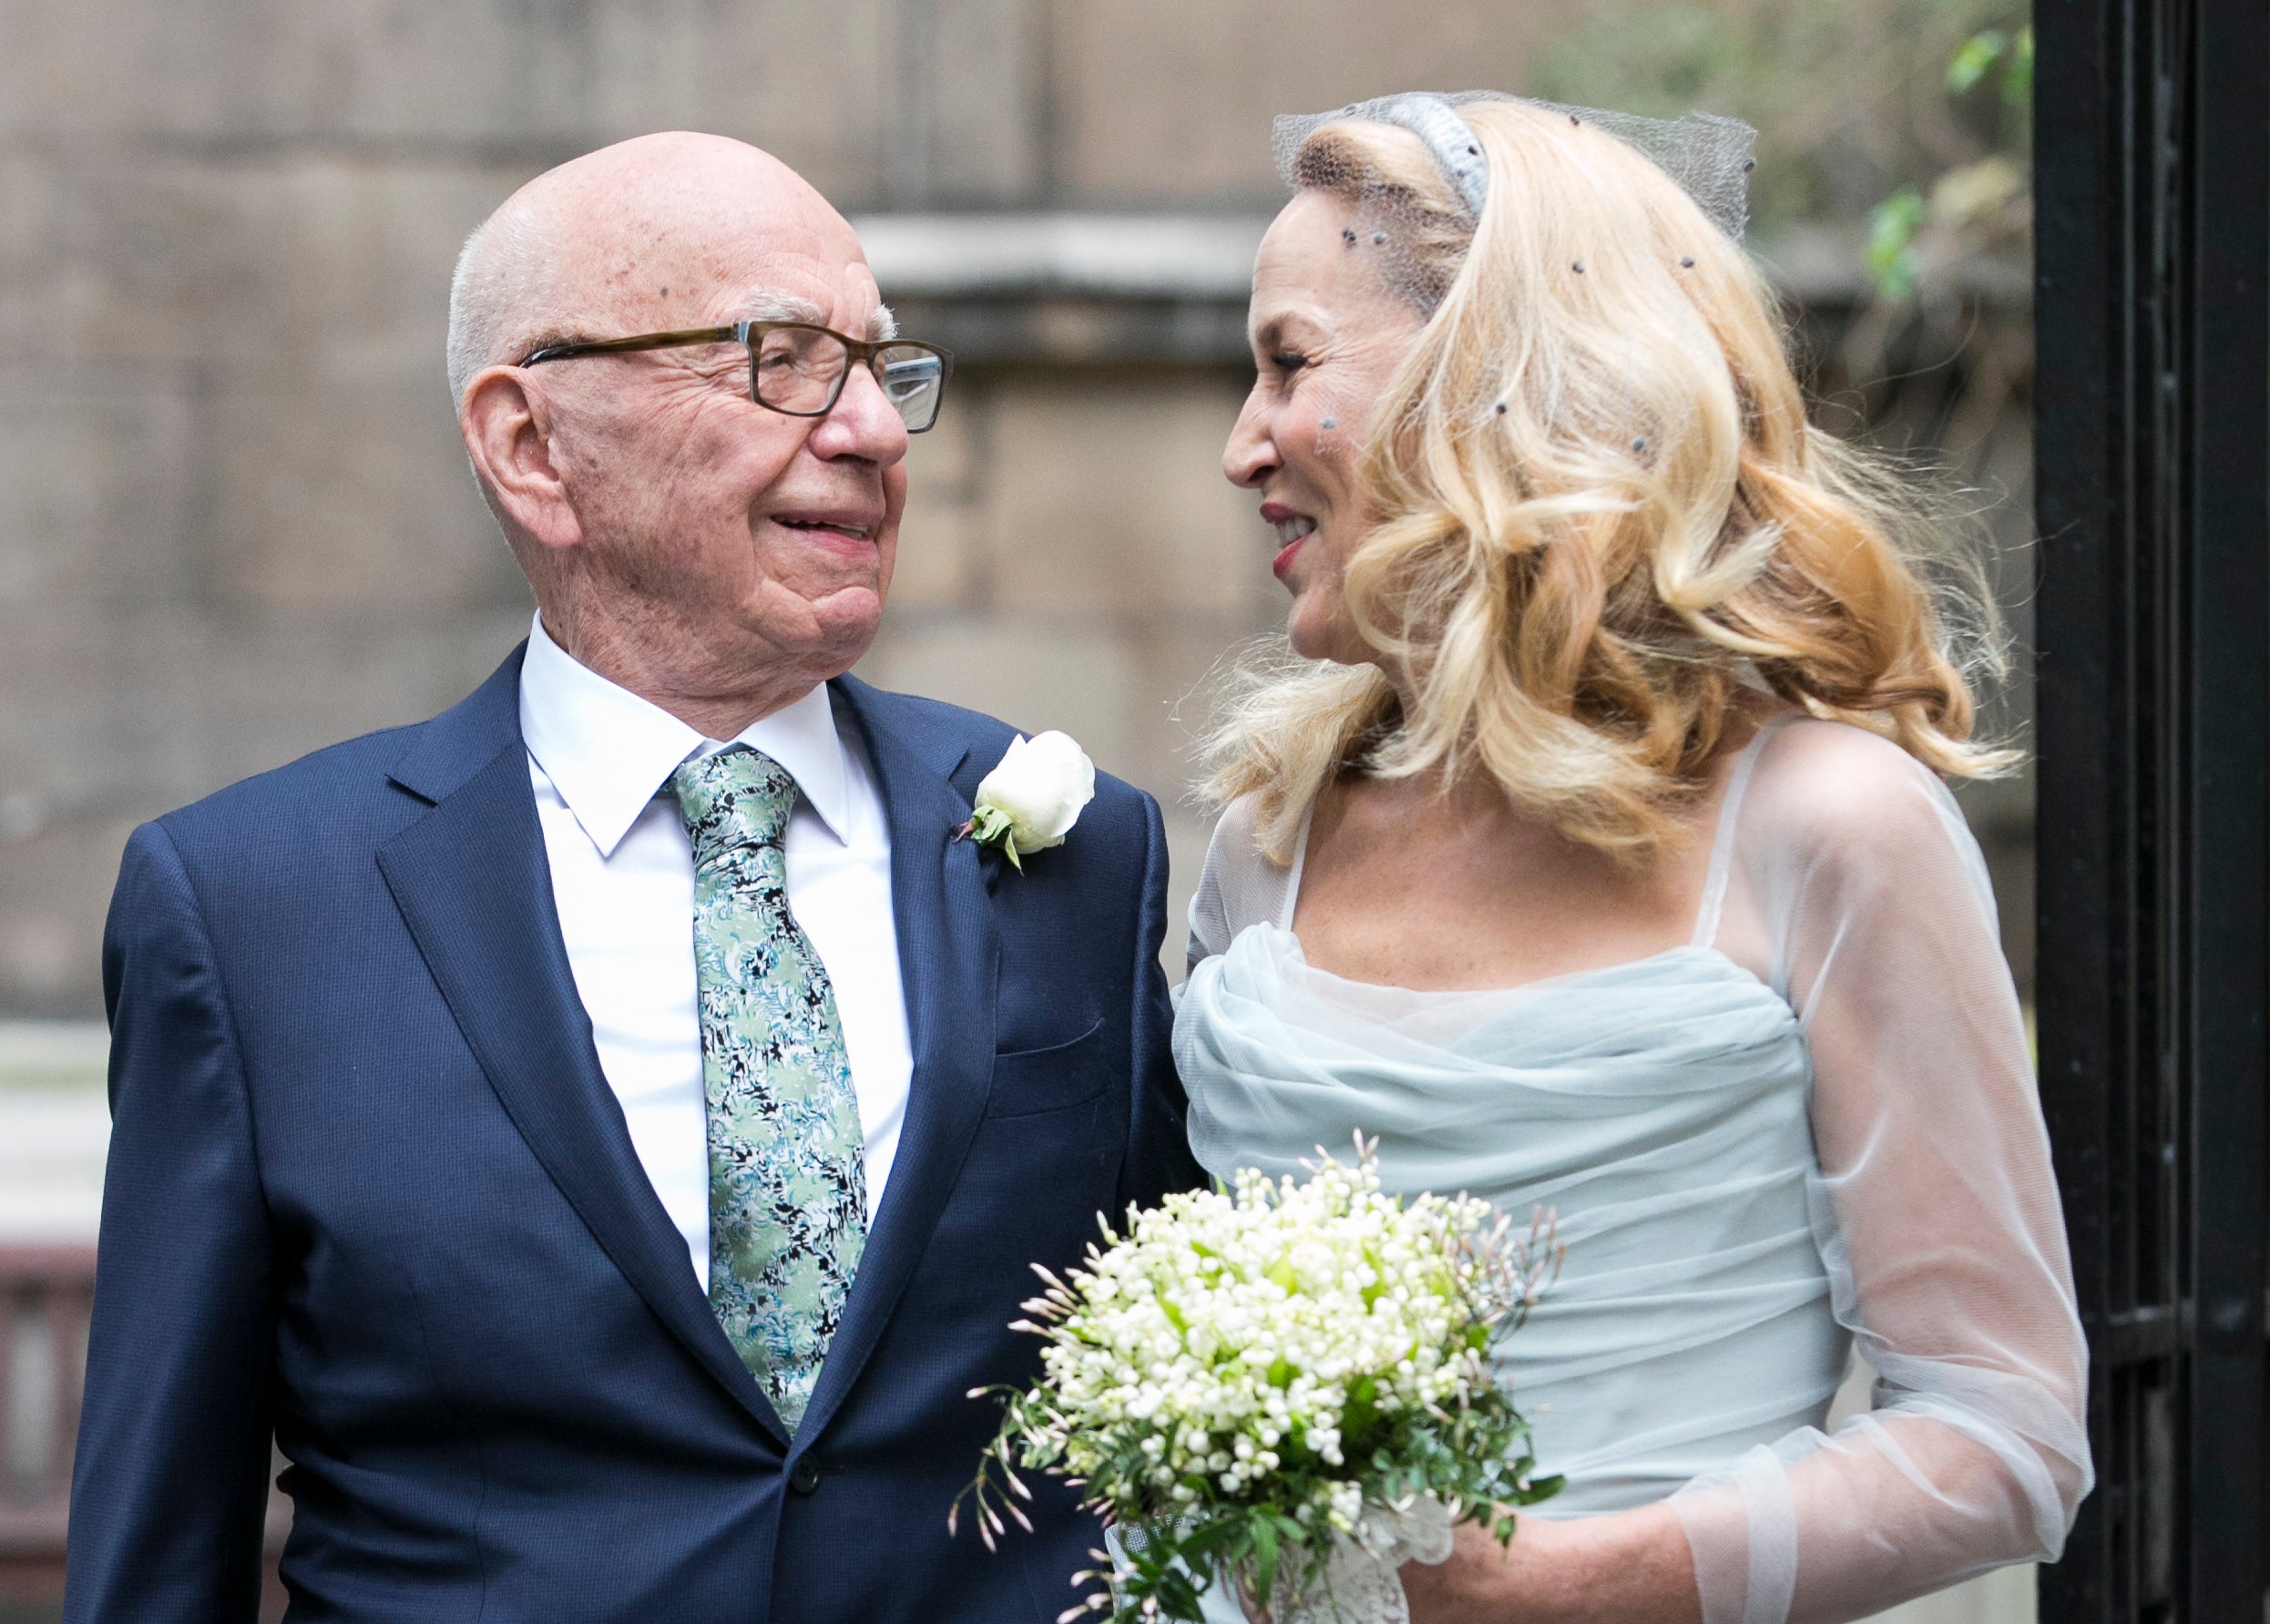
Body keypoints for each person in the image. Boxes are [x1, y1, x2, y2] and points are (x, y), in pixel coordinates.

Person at [66, 130, 1203, 1624]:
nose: (871, 427)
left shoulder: (1077, 850)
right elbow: (163, 1538)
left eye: (878, 363)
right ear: (533, 446)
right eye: (781, 359)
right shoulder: (252, 905)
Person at [1177, 94, 2091, 1623]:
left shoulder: (1827, 827)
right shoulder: (1271, 835)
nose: (1241, 444)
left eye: (1287, 363)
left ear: (1496, 377)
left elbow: (2004, 1432)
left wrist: (1574, 1588)